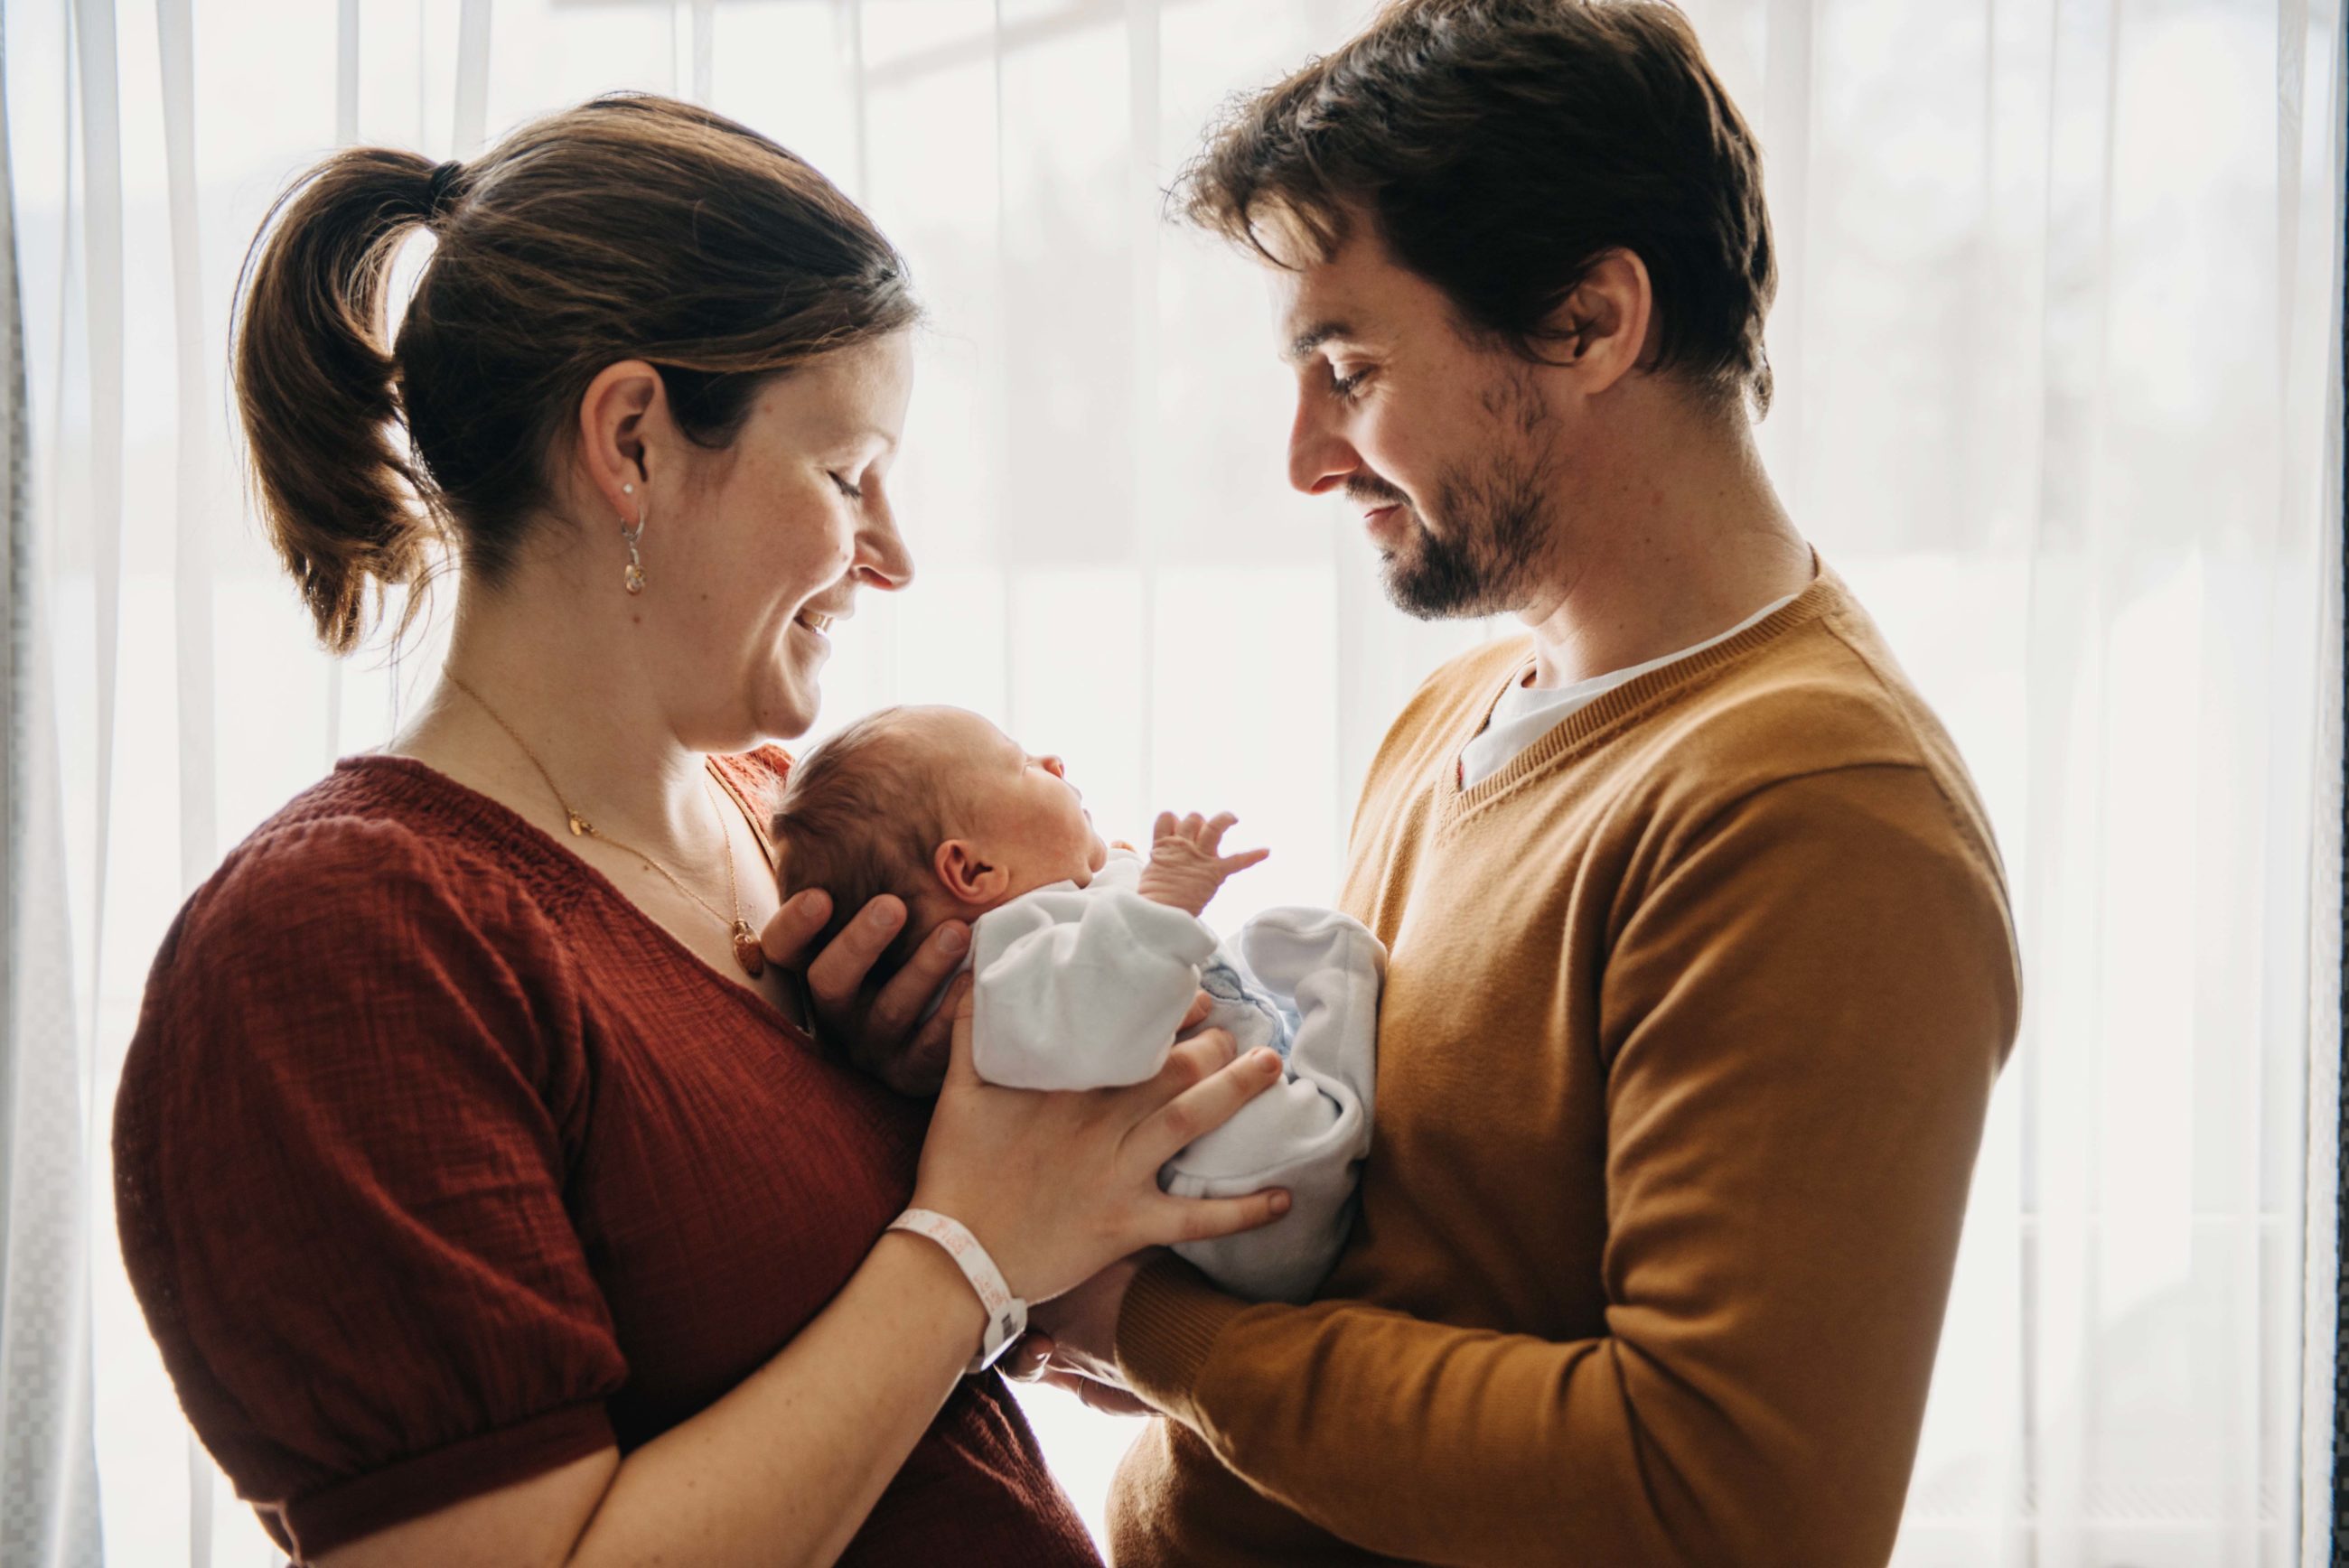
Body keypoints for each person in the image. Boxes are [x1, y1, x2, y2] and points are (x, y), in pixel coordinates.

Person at [110, 94, 1292, 1568]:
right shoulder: (337, 949)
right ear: (633, 444)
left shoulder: (775, 825)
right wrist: (968, 1245)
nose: (897, 556)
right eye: (848, 472)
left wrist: (953, 1106)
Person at [1018, 4, 2024, 1565]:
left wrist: (1145, 1332)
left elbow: (1721, 1504)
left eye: (1347, 366)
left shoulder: (1817, 810)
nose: (1305, 457)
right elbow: (1402, 1252)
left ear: (1590, 322)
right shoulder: (1463, 708)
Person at [769, 704, 1380, 1302]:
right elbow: (1098, 1024)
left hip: (1240, 1090)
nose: (1052, 760)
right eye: (1021, 764)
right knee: (1333, 952)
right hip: (1246, 1181)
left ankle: (1334, 1056)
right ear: (973, 870)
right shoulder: (999, 971)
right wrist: (1160, 903)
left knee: (1294, 937)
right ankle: (1343, 1086)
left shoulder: (1049, 917)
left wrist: (1121, 878)